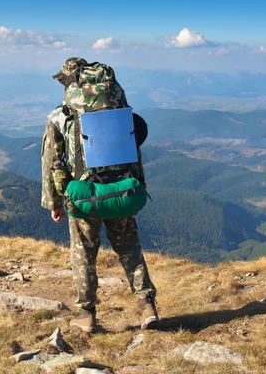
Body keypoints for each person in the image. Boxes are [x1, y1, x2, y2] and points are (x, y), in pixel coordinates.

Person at [41, 57, 159, 333]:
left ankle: (86, 313)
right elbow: (134, 151)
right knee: (130, 249)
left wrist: (54, 203)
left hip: (83, 195)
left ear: (69, 81)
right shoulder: (118, 109)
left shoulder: (61, 115)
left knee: (83, 252)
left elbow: (51, 160)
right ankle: (147, 306)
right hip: (122, 190)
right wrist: (138, 185)